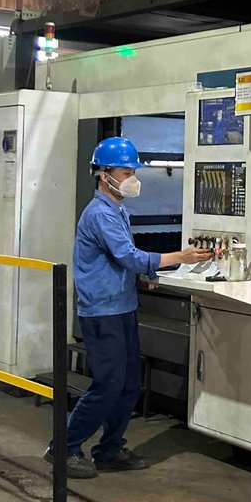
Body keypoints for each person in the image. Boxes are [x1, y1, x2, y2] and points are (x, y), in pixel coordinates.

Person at [45, 136, 211, 479]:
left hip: (121, 307)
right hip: (101, 312)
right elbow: (126, 256)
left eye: (133, 170)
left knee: (127, 383)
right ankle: (63, 448)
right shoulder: (99, 214)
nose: (132, 178)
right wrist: (175, 258)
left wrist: (145, 274)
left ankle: (108, 449)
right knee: (107, 384)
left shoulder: (118, 210)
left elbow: (121, 262)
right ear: (103, 174)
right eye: (125, 171)